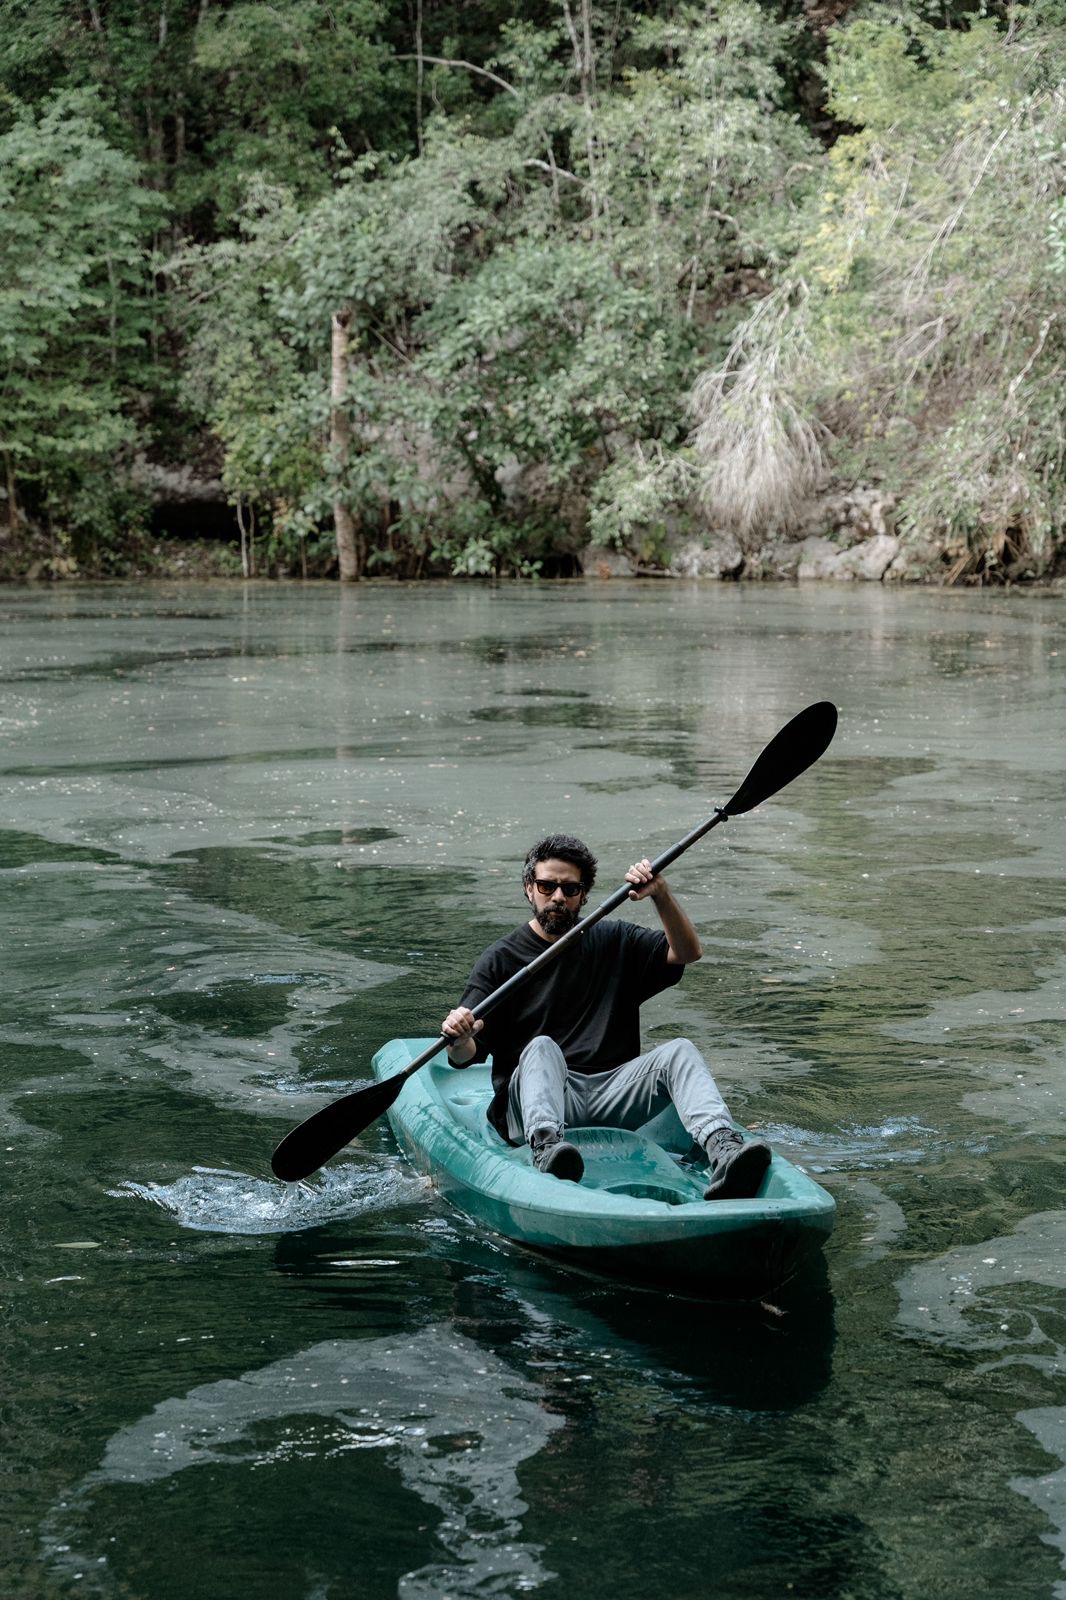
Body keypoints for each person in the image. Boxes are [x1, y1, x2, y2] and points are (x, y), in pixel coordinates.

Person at [441, 833, 771, 1200]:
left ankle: (723, 1147)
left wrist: (660, 893)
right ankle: (548, 1150)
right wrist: (459, 1035)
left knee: (679, 1050)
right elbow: (462, 1056)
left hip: (611, 1094)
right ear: (528, 889)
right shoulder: (500, 959)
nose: (558, 898)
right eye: (546, 885)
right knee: (541, 1048)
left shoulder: (615, 939)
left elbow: (687, 952)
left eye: (569, 889)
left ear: (584, 894)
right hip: (537, 1106)